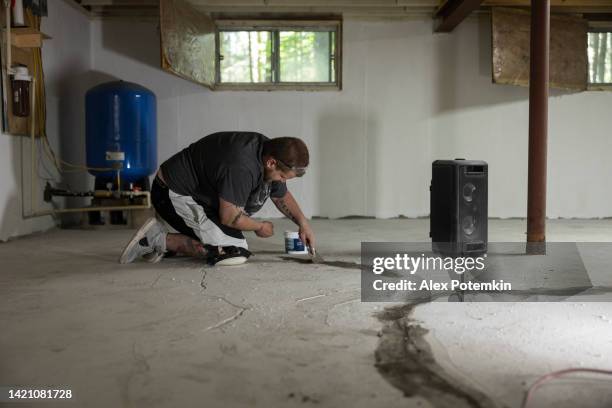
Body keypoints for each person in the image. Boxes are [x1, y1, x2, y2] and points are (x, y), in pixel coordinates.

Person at [119, 131, 315, 266]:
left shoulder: (268, 153)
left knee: (235, 244)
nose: (281, 181)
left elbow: (281, 195)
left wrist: (303, 224)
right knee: (232, 251)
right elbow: (230, 217)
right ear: (272, 162)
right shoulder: (242, 165)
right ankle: (156, 239)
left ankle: (173, 242)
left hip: (202, 197)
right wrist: (259, 226)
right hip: (172, 193)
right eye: (282, 176)